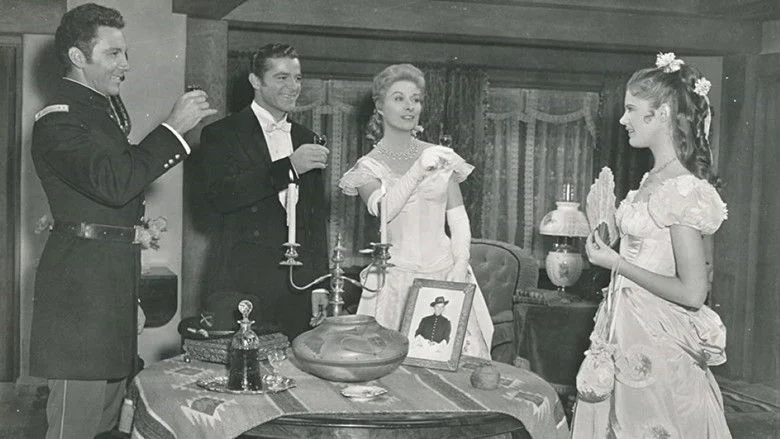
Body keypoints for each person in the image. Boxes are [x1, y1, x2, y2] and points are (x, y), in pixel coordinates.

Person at [29, 4, 217, 439]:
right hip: (79, 296)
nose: (125, 64)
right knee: (74, 427)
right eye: (113, 54)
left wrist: (128, 297)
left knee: (107, 425)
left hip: (109, 286)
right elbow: (116, 183)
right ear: (78, 57)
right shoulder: (58, 120)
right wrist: (172, 129)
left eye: (125, 53)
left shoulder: (99, 114)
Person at [571, 53, 731, 438]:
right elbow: (649, 252)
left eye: (631, 109)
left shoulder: (682, 189)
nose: (622, 119)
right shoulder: (651, 179)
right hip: (623, 330)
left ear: (662, 114)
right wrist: (611, 244)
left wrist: (617, 263)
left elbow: (693, 292)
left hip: (658, 341)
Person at [338, 63, 493, 361]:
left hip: (446, 270)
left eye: (416, 99)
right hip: (395, 278)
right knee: (394, 367)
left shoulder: (440, 156)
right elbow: (384, 211)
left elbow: (458, 218)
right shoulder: (367, 167)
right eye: (399, 98)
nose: (409, 106)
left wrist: (460, 264)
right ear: (379, 106)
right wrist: (418, 169)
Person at [200, 43, 330, 341]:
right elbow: (221, 198)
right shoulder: (221, 134)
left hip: (298, 285)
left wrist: (319, 284)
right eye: (282, 77)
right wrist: (289, 167)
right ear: (255, 81)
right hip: (242, 282)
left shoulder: (307, 138)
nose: (293, 87)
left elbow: (314, 219)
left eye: (297, 78)